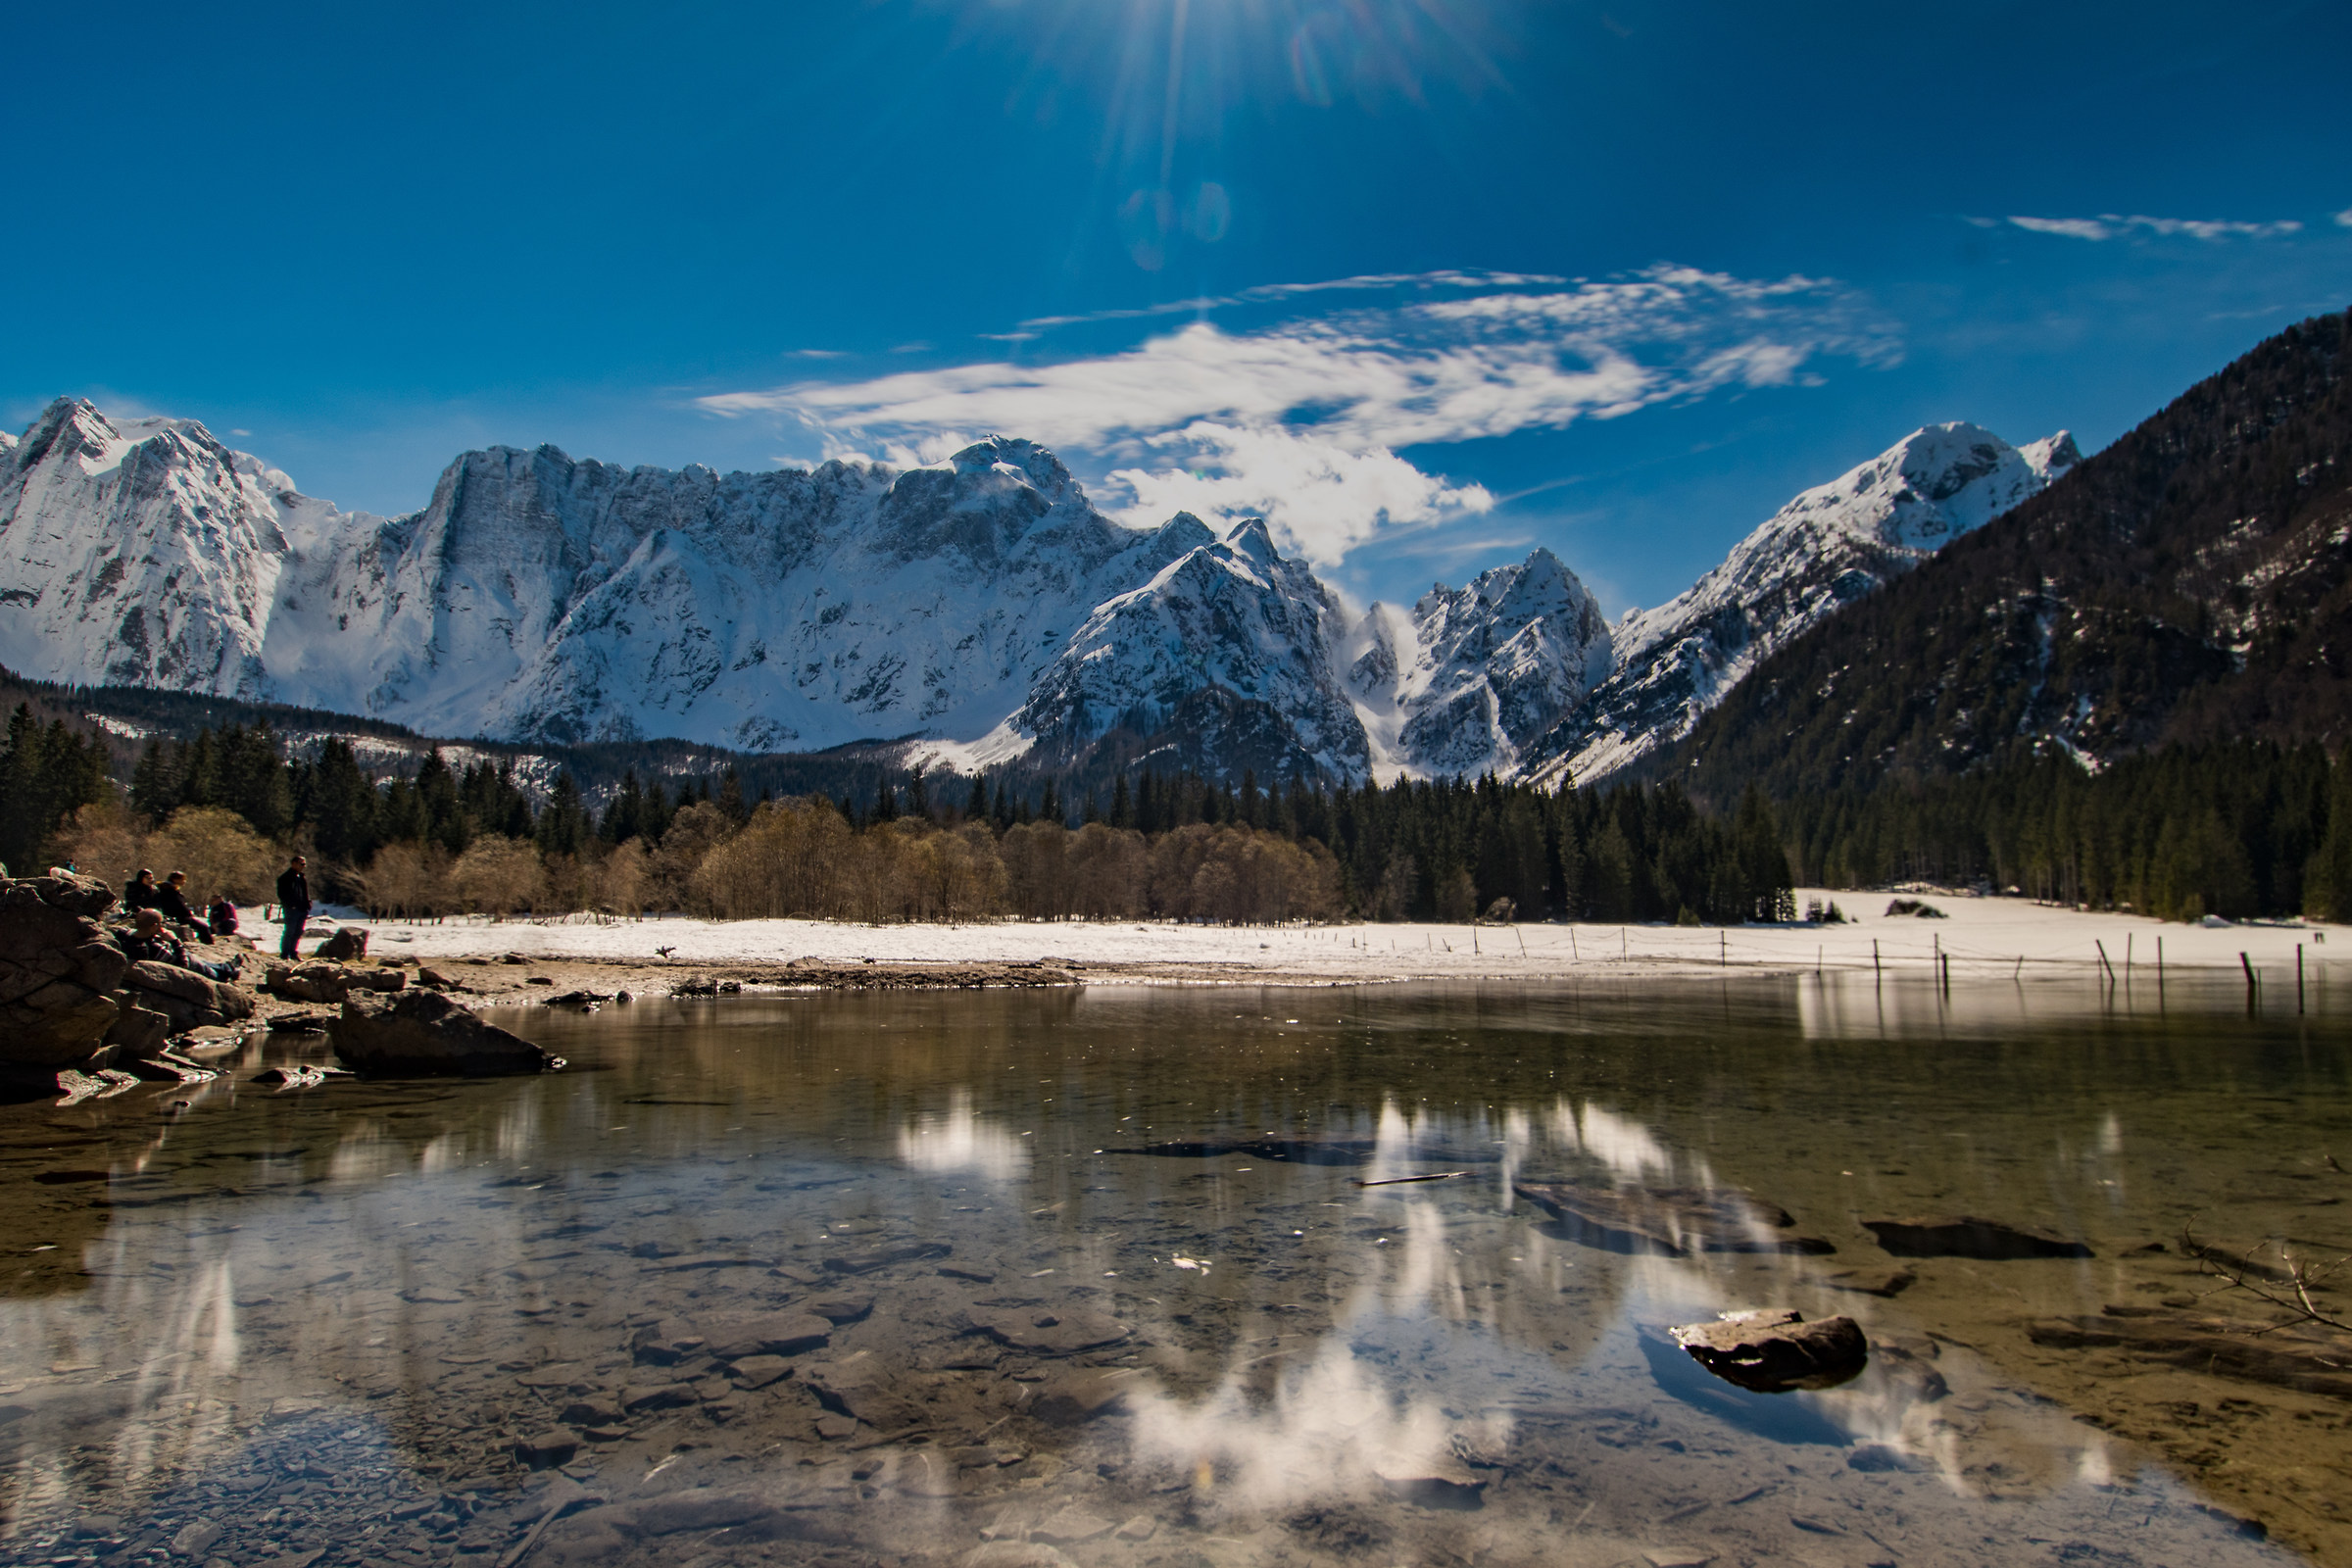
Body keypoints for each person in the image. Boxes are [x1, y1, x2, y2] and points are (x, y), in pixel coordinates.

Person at [116, 908, 240, 982]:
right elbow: (182, 965)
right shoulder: (153, 948)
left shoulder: (127, 934)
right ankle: (229, 971)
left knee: (210, 963)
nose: (162, 926)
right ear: (154, 926)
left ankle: (227, 967)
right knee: (210, 970)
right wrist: (175, 941)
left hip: (186, 957)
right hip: (189, 965)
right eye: (160, 923)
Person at [275, 855, 312, 959]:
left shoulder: (301, 877)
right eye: (301, 864)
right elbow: (282, 894)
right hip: (292, 909)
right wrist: (291, 905)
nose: (304, 866)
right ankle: (285, 953)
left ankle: (293, 952)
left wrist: (308, 904)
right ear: (294, 864)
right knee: (290, 931)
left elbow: (304, 893)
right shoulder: (285, 878)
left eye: (304, 864)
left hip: (302, 909)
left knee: (298, 931)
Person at [155, 870, 208, 937]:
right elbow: (180, 906)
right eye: (182, 879)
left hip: (177, 916)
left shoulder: (167, 890)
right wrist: (189, 914)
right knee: (203, 927)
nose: (184, 881)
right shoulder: (171, 891)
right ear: (175, 880)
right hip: (178, 918)